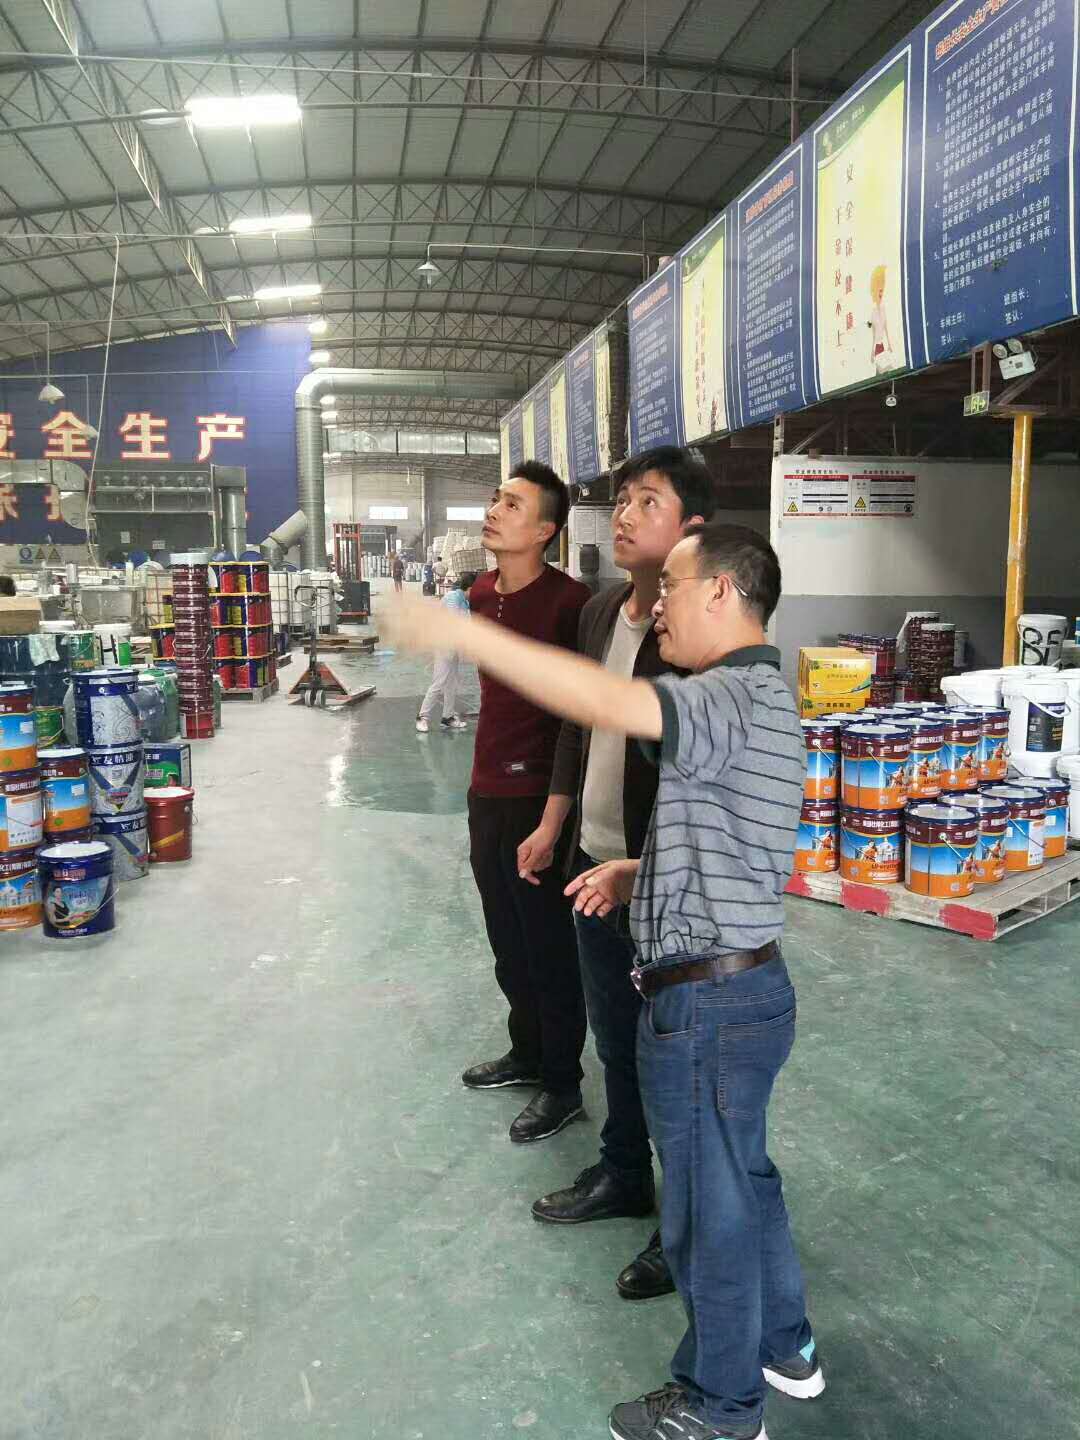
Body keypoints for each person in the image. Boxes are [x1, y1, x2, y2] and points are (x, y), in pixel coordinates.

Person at [386, 522, 822, 1440]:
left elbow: (606, 700)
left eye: (676, 586)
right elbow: (727, 835)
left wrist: (464, 634)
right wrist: (638, 873)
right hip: (745, 985)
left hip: (708, 1004)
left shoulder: (726, 695)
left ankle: (721, 1406)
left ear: (724, 593)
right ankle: (786, 1348)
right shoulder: (759, 697)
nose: (659, 606)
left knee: (706, 1208)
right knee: (745, 1181)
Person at [522, 448, 717, 1308]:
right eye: (624, 499)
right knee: (617, 1044)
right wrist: (554, 823)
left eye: (649, 501)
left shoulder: (701, 639)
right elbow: (579, 723)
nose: (627, 514)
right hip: (593, 869)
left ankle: (688, 1229)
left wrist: (653, 869)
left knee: (676, 1062)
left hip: (663, 888)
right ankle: (625, 1175)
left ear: (693, 530)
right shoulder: (603, 612)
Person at [462, 461, 590, 1144]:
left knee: (548, 949)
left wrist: (552, 822)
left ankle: (563, 1083)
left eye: (512, 505)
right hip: (486, 791)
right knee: (506, 943)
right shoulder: (481, 593)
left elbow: (579, 719)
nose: (495, 511)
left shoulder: (571, 604)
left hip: (540, 801)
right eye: (495, 499)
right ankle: (527, 1052)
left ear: (545, 530)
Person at [416, 571, 477, 734]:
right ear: (470, 588)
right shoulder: (453, 598)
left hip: (454, 646)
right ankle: (422, 717)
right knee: (439, 682)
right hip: (444, 645)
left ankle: (447, 717)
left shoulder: (465, 602)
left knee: (452, 683)